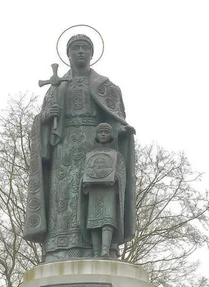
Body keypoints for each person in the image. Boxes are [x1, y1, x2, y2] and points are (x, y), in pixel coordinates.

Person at [23, 34, 136, 262]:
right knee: (62, 198)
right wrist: (46, 117)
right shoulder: (56, 87)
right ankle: (60, 249)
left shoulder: (106, 87)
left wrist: (120, 133)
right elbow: (41, 124)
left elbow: (115, 120)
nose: (81, 52)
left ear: (92, 54)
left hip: (95, 152)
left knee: (97, 199)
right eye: (76, 48)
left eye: (85, 48)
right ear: (68, 55)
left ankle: (99, 249)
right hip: (63, 150)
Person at [80, 123, 126, 258]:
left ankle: (105, 250)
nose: (103, 134)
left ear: (110, 135)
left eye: (106, 132)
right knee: (94, 222)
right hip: (94, 192)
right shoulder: (90, 155)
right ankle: (95, 252)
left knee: (107, 220)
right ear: (96, 135)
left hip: (109, 192)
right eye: (100, 132)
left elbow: (121, 173)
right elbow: (85, 172)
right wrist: (85, 182)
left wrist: (115, 179)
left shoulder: (115, 155)